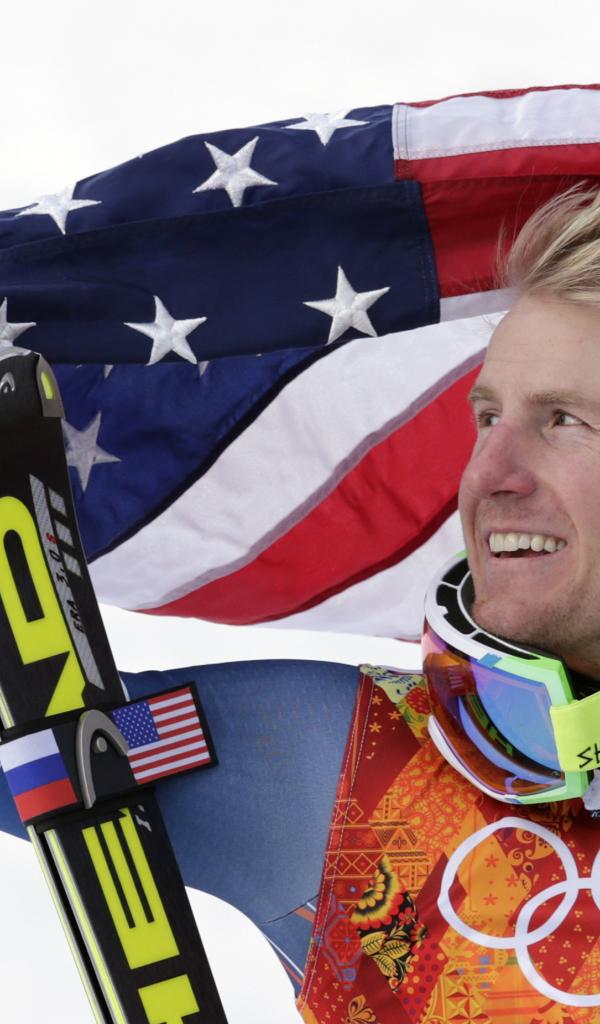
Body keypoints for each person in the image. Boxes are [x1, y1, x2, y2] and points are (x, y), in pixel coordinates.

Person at [298, 183, 600, 1024]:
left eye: (565, 420)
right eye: (487, 417)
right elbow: (58, 735)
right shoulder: (359, 764)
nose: (486, 475)